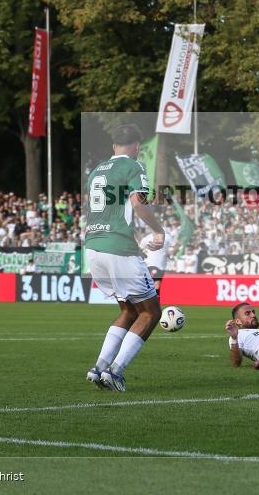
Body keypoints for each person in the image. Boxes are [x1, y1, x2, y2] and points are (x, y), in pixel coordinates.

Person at [84, 124, 165, 392]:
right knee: (151, 312)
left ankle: (98, 368)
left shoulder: (97, 170)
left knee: (129, 310)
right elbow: (137, 203)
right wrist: (158, 230)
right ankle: (114, 371)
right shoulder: (134, 167)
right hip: (117, 248)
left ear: (113, 146)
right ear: (137, 146)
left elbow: (106, 214)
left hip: (94, 247)